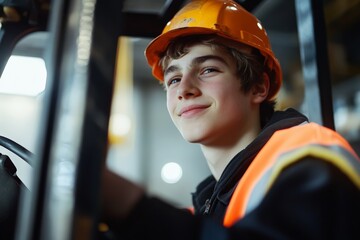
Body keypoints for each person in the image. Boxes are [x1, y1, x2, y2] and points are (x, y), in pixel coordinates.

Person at [100, 0, 360, 239]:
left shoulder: (312, 160)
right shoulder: (211, 203)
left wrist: (127, 202)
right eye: (174, 79)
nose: (184, 89)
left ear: (258, 87)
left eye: (208, 69)